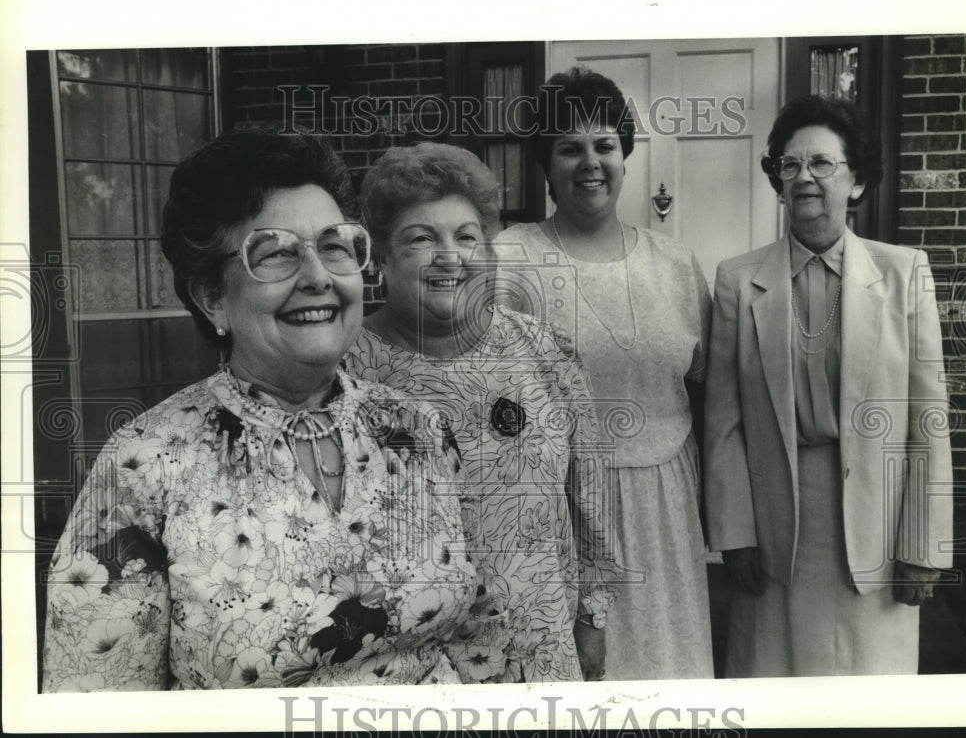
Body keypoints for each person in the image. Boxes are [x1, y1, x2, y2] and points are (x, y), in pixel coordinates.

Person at [41, 129, 508, 691]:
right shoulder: (142, 471)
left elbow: (479, 635)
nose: (317, 277)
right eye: (277, 253)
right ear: (213, 297)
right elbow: (99, 707)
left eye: (334, 245)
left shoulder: (419, 431)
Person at [343, 142, 621, 683]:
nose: (451, 256)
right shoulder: (348, 370)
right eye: (423, 238)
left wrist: (593, 617)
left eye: (467, 237)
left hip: (544, 646)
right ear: (380, 258)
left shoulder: (547, 353)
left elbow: (590, 496)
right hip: (408, 666)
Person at [704, 95, 953, 676]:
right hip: (774, 527)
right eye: (789, 166)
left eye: (821, 164)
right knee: (776, 682)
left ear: (857, 182)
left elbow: (927, 418)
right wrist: (735, 533)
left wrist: (922, 542)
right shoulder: (738, 282)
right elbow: (723, 422)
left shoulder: (904, 272)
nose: (803, 178)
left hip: (878, 522)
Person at [493, 67, 714, 680]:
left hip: (665, 503)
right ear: (546, 161)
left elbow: (710, 386)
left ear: (624, 154)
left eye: (604, 145)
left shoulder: (674, 263)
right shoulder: (511, 257)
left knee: (668, 674)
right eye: (569, 148)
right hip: (556, 510)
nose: (590, 163)